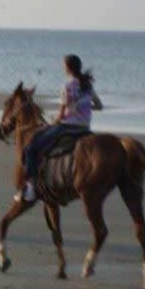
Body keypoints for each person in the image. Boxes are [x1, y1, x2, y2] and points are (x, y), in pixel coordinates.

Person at [19, 54, 103, 202]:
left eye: (64, 65)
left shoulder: (68, 85)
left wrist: (52, 122)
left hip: (68, 126)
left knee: (31, 148)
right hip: (85, 126)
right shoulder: (87, 84)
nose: (63, 68)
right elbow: (99, 106)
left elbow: (62, 113)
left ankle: (31, 187)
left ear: (68, 67)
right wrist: (84, 107)